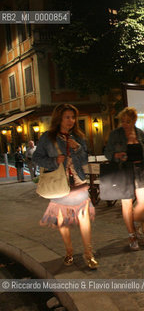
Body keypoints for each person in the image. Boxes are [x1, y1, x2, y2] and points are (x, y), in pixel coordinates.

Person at [32, 104, 97, 269]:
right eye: (67, 117)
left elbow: (83, 160)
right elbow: (37, 158)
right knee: (63, 221)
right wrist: (54, 161)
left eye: (73, 117)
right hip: (59, 184)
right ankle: (69, 251)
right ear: (59, 118)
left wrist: (78, 148)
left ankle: (88, 253)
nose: (71, 121)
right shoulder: (48, 137)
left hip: (78, 182)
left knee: (84, 219)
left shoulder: (78, 136)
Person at [104, 107, 144, 250]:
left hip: (138, 170)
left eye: (128, 121)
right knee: (127, 204)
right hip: (123, 170)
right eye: (122, 121)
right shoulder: (115, 134)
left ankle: (134, 221)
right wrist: (116, 155)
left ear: (134, 121)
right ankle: (132, 236)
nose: (125, 124)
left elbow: (141, 151)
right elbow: (107, 152)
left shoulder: (140, 133)